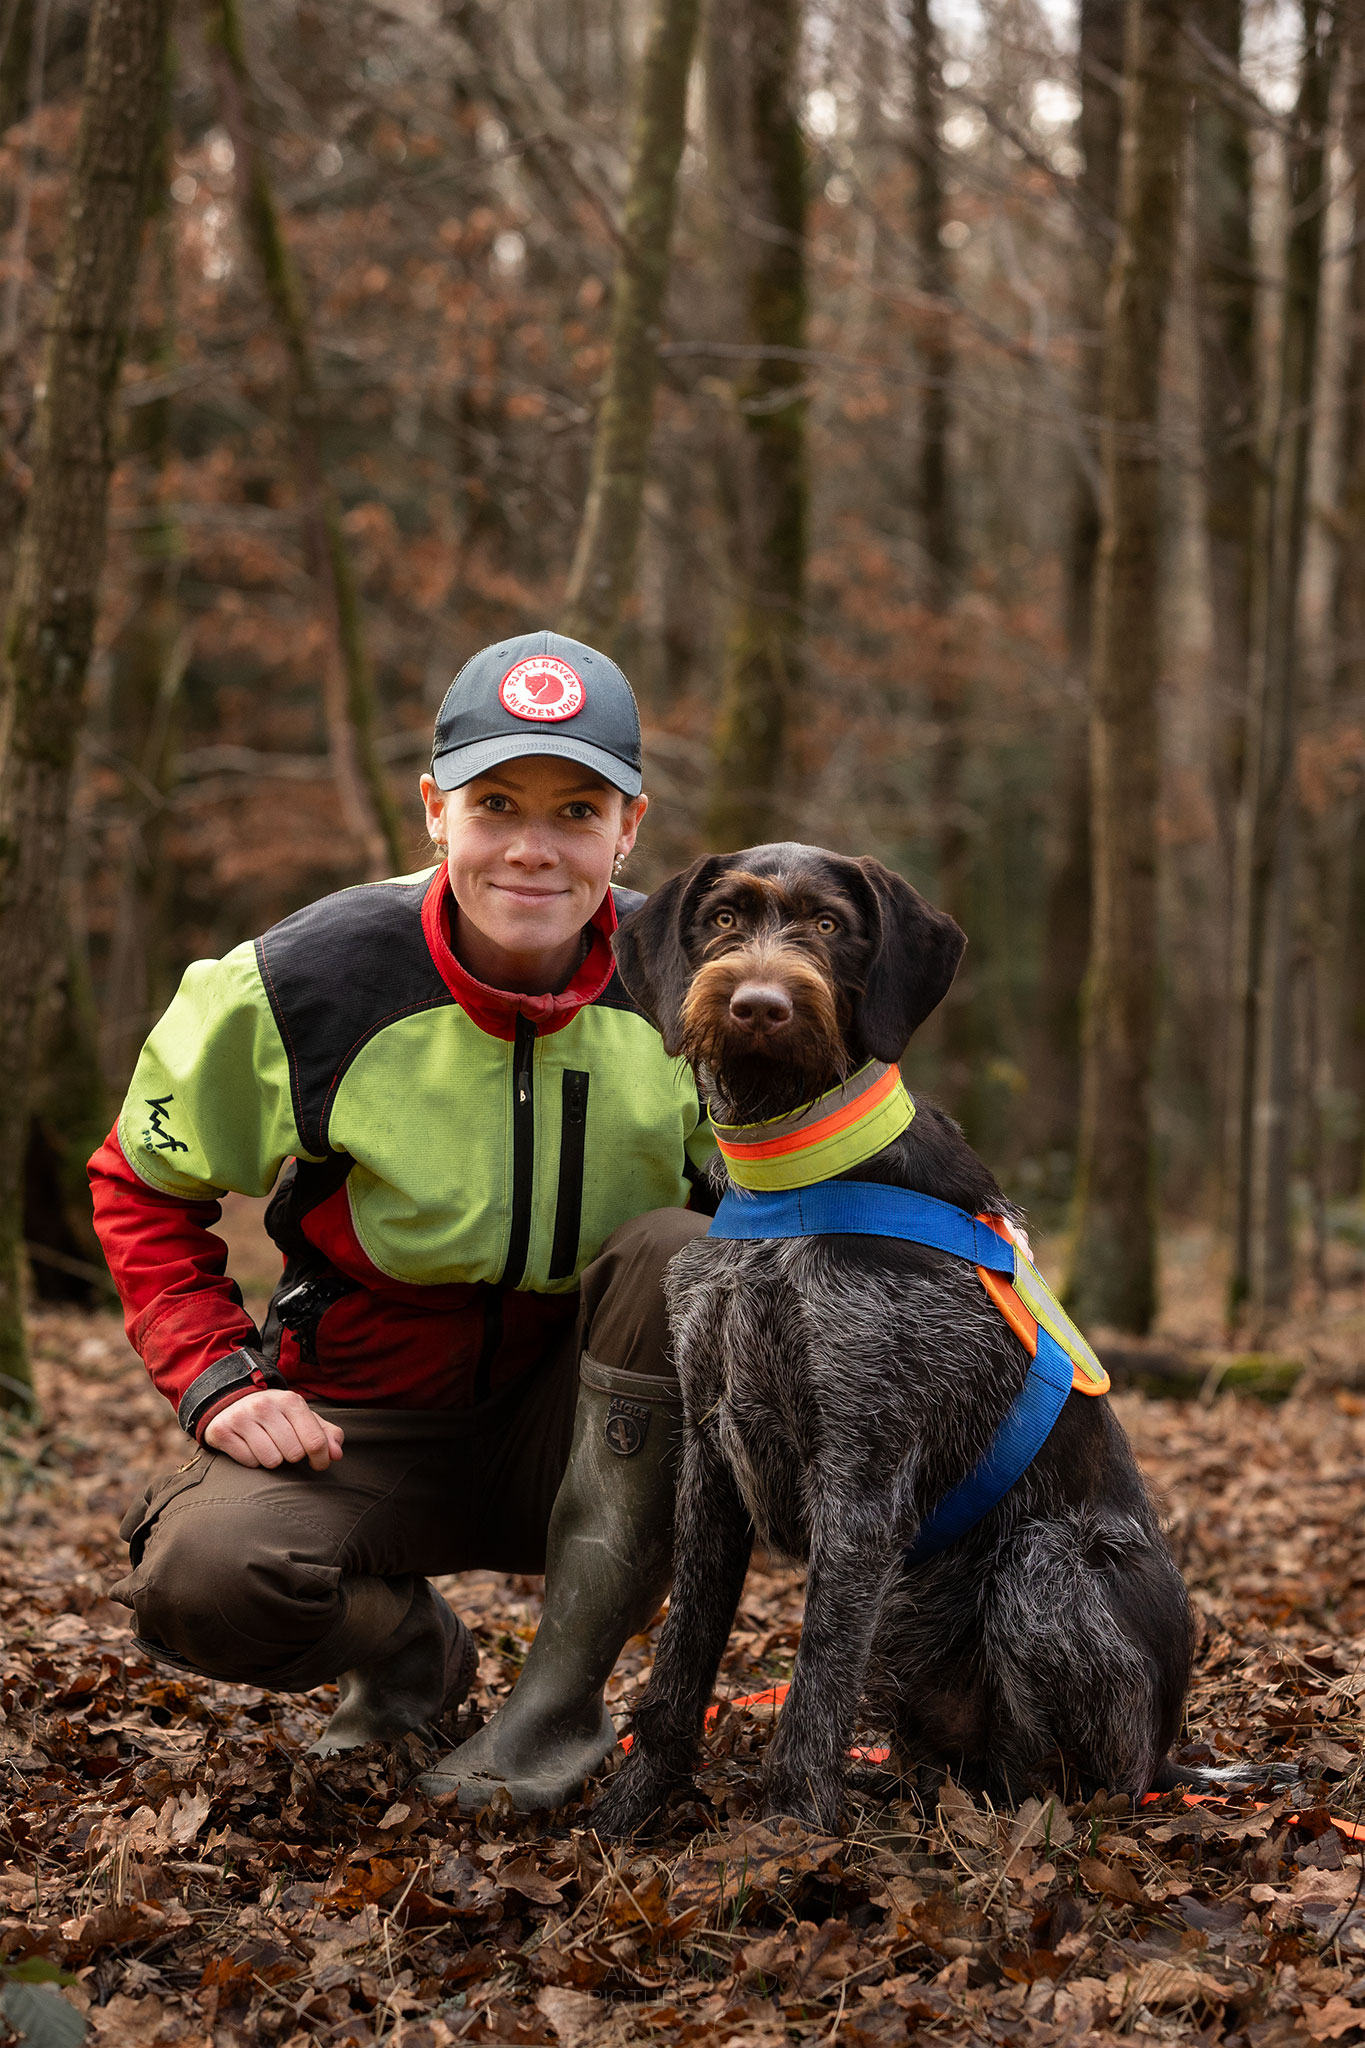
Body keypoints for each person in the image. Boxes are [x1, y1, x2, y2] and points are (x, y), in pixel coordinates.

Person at [89, 630, 714, 1812]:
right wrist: (218, 1377)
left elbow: (799, 1185)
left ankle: (556, 1709)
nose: (534, 846)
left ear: (629, 827)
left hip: (590, 1428)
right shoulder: (304, 980)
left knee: (681, 1253)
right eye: (496, 803)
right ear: (435, 811)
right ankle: (408, 1650)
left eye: (578, 809)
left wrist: (971, 1226)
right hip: (363, 1415)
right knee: (204, 1579)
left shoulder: (690, 984)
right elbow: (141, 1179)